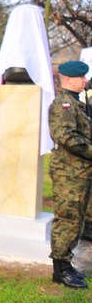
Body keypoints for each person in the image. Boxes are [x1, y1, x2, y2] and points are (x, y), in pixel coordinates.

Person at [47, 60, 90, 289]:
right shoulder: (63, 104)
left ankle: (66, 263)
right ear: (69, 79)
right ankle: (60, 269)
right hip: (69, 173)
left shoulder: (76, 103)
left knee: (76, 219)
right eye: (82, 77)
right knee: (67, 219)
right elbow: (66, 137)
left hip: (80, 171)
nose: (85, 80)